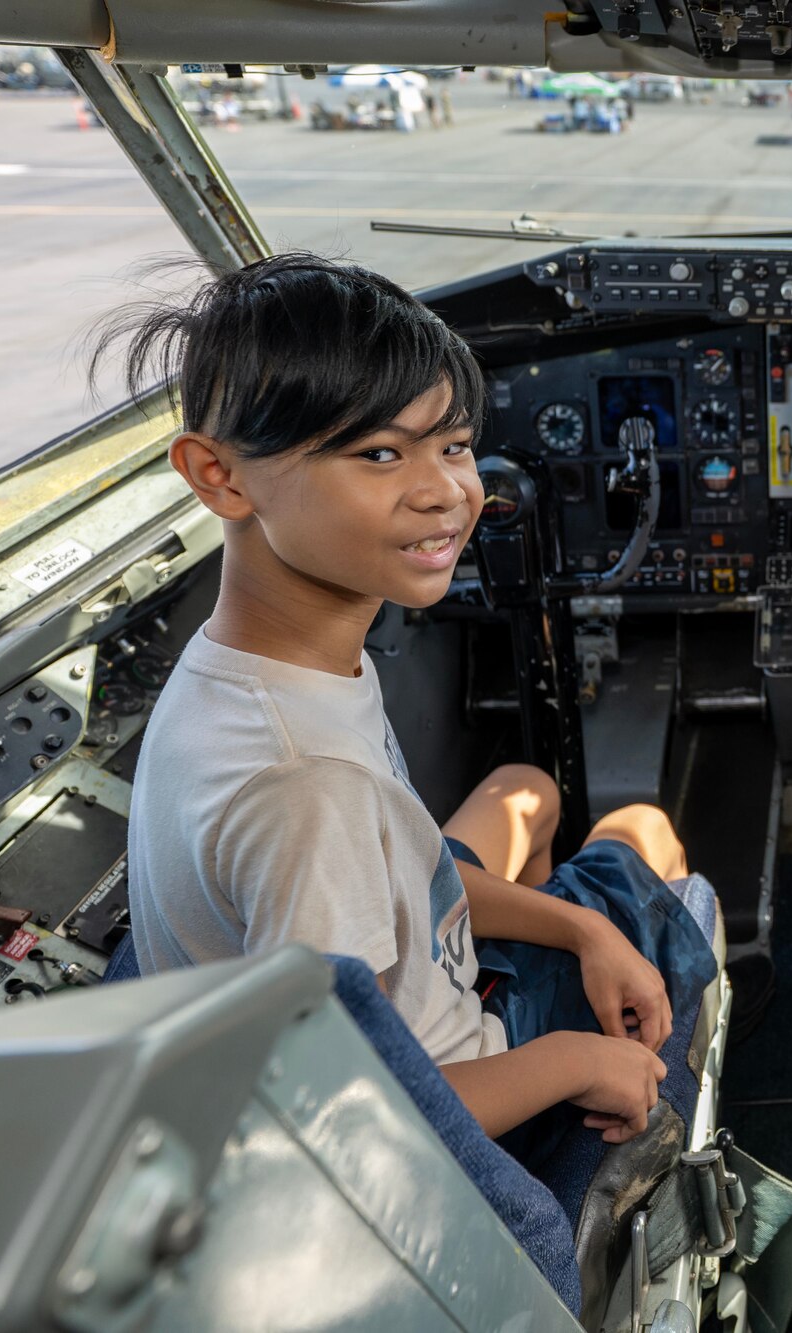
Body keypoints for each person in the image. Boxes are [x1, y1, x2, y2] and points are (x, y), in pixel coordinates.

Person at [110, 255, 710, 1166]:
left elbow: (403, 870)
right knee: (644, 837)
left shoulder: (248, 668)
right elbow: (350, 1118)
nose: (445, 492)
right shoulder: (302, 790)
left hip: (405, 971)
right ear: (219, 475)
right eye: (381, 452)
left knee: (525, 790)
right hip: (444, 1091)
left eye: (455, 443)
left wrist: (580, 926)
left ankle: (556, 939)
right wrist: (568, 1059)